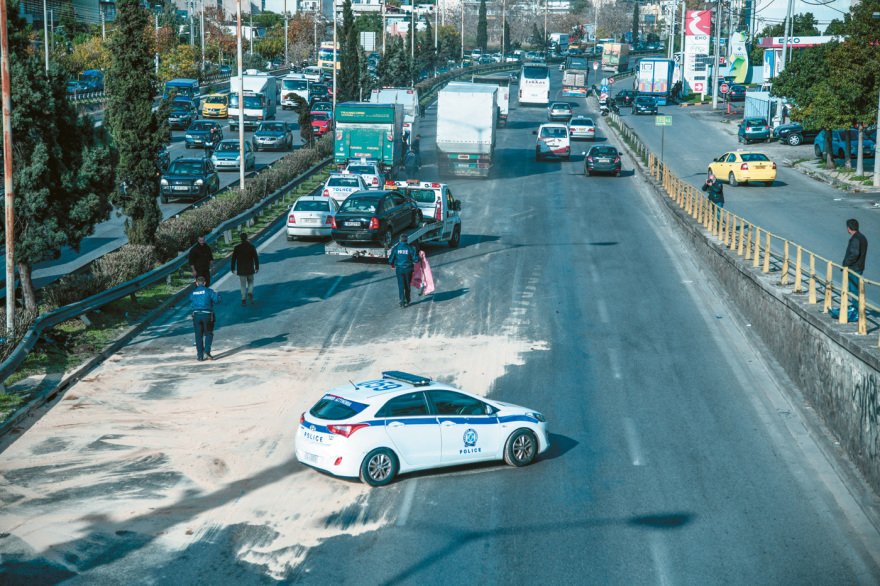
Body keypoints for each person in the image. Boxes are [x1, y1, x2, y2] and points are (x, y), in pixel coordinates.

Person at [842, 218, 868, 322]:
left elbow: (854, 253)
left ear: (849, 228)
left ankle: (856, 310)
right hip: (859, 267)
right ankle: (856, 308)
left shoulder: (855, 239)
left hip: (854, 268)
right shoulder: (862, 237)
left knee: (854, 290)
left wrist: (846, 264)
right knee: (856, 289)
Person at [191, 275, 221, 361]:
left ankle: (200, 355)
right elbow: (217, 300)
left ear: (197, 283)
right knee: (209, 333)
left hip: (196, 315)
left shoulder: (193, 292)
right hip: (207, 315)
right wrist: (217, 294)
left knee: (198, 335)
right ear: (204, 283)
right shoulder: (209, 291)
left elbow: (192, 301)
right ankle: (207, 350)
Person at [231, 232, 260, 306]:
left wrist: (233, 268)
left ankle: (243, 299)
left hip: (241, 270)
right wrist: (256, 267)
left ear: (241, 239)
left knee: (243, 285)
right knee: (251, 282)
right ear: (247, 238)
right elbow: (256, 258)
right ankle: (250, 293)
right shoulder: (251, 247)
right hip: (250, 269)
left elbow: (233, 259)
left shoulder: (237, 248)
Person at [389, 234, 417, 307]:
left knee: (401, 285)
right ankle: (408, 299)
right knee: (407, 285)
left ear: (400, 240)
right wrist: (420, 257)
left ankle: (402, 301)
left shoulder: (396, 248)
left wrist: (392, 264)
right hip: (408, 269)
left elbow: (391, 259)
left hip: (399, 269)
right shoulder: (410, 248)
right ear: (407, 240)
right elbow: (415, 259)